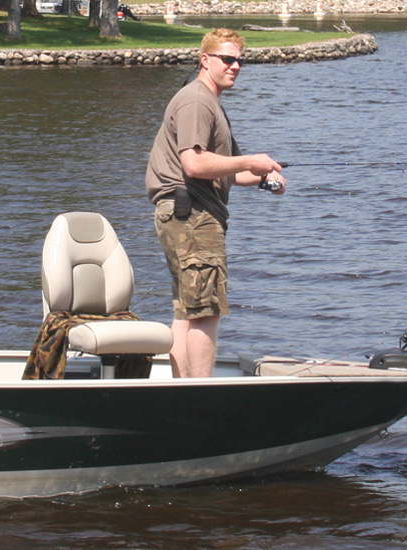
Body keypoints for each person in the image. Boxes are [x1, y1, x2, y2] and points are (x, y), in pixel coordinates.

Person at [142, 28, 286, 378]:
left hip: (186, 213)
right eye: (227, 59)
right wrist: (251, 159)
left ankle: (181, 390)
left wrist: (265, 178)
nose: (235, 66)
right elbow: (194, 163)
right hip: (192, 213)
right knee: (207, 310)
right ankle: (199, 392)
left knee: (187, 310)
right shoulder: (196, 100)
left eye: (239, 60)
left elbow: (229, 172)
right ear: (204, 60)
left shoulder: (211, 103)